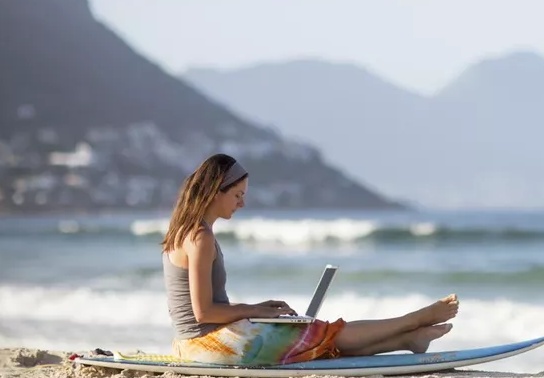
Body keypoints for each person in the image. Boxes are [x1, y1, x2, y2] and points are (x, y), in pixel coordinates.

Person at [161, 153, 459, 366]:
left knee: (315, 338)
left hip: (196, 344)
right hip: (205, 345)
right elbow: (203, 312)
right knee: (317, 334)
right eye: (237, 194)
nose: (242, 202)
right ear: (216, 192)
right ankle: (414, 320)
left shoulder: (187, 231)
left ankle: (407, 340)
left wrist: (259, 311)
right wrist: (256, 310)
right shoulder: (200, 237)